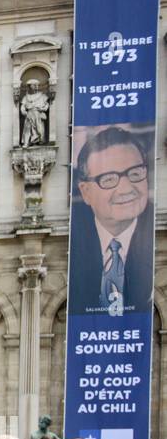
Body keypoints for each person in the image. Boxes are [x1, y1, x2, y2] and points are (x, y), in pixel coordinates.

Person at [69, 127, 154, 316]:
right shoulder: (74, 237)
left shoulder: (153, 228)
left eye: (135, 173)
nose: (125, 189)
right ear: (85, 192)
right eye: (108, 179)